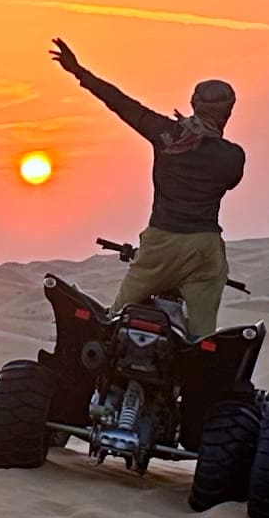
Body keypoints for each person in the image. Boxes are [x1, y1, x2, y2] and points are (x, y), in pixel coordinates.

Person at [50, 40, 244, 336]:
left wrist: (78, 71)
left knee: (111, 326)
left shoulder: (165, 134)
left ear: (193, 104)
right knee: (201, 341)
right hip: (205, 250)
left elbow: (121, 103)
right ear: (228, 112)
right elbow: (229, 184)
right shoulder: (232, 156)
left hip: (160, 245)